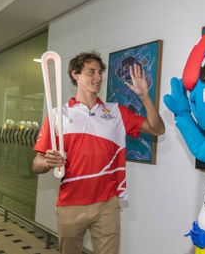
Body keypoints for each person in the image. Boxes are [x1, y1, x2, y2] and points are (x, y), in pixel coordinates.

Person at [32, 51, 165, 254]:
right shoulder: (59, 114)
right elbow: (36, 163)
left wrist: (144, 96)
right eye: (91, 72)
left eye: (100, 72)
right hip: (71, 203)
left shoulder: (116, 112)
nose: (98, 77)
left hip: (107, 203)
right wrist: (48, 162)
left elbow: (157, 129)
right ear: (75, 75)